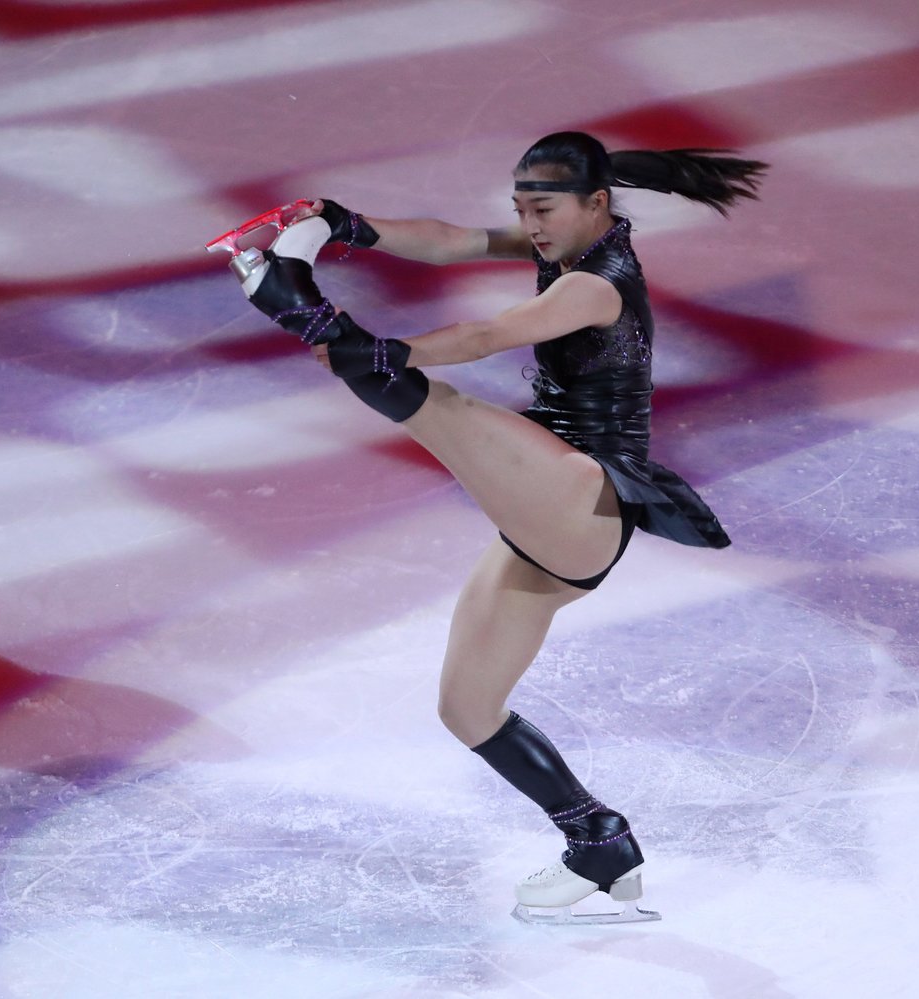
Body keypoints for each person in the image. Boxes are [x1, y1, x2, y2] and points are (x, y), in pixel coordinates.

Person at [226, 131, 766, 923]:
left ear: (596, 203)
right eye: (523, 211)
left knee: (405, 389)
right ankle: (599, 842)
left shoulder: (597, 283)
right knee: (468, 707)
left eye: (542, 210)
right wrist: (350, 223)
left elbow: (482, 338)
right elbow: (452, 242)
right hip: (546, 521)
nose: (531, 225)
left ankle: (296, 305)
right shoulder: (567, 242)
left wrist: (372, 348)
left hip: (584, 491)